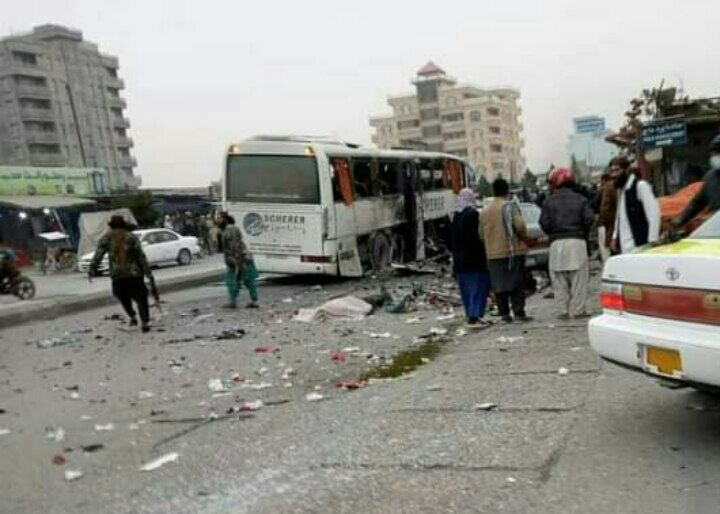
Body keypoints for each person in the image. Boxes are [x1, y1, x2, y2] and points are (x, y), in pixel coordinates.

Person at [540, 168, 594, 320]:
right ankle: (578, 309)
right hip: (577, 242)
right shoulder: (581, 200)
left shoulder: (548, 201)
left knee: (558, 279)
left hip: (556, 243)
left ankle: (562, 309)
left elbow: (544, 223)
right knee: (579, 279)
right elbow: (589, 220)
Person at [479, 178, 532, 323]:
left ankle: (504, 314)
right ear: (507, 190)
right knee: (516, 283)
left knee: (499, 285)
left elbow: (481, 235)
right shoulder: (510, 206)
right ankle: (519, 313)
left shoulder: (485, 211)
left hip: (493, 254)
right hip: (512, 252)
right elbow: (520, 226)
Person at [90, 215, 154, 332]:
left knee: (123, 297)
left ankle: (132, 315)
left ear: (112, 226)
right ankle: (144, 321)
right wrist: (148, 273)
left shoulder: (106, 238)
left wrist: (92, 268)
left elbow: (98, 254)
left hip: (118, 275)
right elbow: (141, 256)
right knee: (141, 298)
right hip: (134, 274)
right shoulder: (131, 237)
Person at [450, 188, 490, 327]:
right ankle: (476, 314)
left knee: (466, 290)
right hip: (474, 260)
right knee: (478, 287)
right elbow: (476, 238)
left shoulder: (455, 216)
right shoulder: (473, 215)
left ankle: (470, 314)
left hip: (460, 262)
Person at [674, 134, 720, 228]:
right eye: (712, 154)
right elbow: (696, 203)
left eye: (717, 154)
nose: (714, 157)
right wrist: (679, 221)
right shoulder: (710, 178)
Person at [612, 165, 660, 254]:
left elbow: (653, 212)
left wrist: (653, 237)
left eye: (617, 170)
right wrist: (615, 236)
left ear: (626, 170)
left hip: (640, 244)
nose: (614, 174)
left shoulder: (640, 186)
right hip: (624, 244)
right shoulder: (621, 191)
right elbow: (618, 217)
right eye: (612, 171)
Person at [217, 212, 259, 309]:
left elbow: (235, 246)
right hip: (239, 259)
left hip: (240, 259)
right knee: (239, 281)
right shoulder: (229, 230)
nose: (217, 220)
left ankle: (236, 302)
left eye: (219, 218)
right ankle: (238, 301)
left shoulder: (230, 231)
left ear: (225, 219)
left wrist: (236, 261)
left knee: (242, 281)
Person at [597, 158, 623, 262]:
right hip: (623, 228)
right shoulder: (625, 184)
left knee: (608, 254)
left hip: (610, 226)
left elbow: (604, 209)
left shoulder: (607, 188)